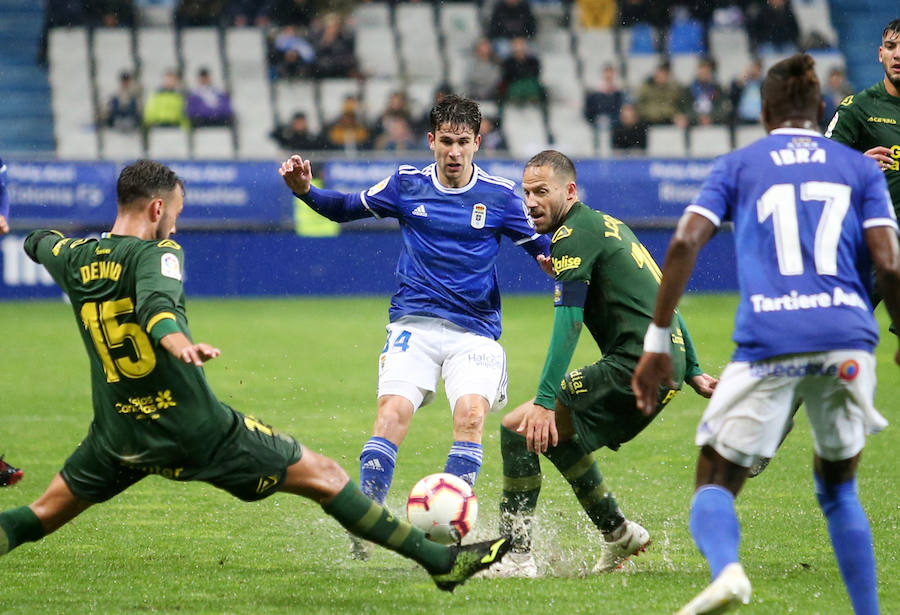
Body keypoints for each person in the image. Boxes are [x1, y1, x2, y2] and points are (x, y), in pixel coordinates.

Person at [0, 159, 510, 590]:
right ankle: (442, 563)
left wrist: (15, 226)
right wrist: (178, 341)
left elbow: (39, 241)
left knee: (38, 517)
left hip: (117, 435)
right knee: (328, 478)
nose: (175, 226)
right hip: (197, 430)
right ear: (158, 209)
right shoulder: (160, 253)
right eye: (174, 215)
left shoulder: (73, 256)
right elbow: (158, 307)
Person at [632, 54, 900, 615]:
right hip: (848, 337)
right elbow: (890, 265)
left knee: (714, 476)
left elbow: (683, 243)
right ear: (821, 109)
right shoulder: (861, 169)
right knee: (838, 487)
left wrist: (657, 342)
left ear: (764, 112)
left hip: (771, 337)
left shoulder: (740, 164)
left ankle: (728, 572)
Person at [278, 95, 551, 559]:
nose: (453, 152)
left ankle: (447, 522)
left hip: (475, 333)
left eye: (463, 142)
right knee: (391, 416)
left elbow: (543, 243)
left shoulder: (501, 196)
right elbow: (345, 207)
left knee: (469, 417)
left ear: (477, 143)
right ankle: (365, 523)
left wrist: (553, 260)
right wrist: (305, 191)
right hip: (414, 324)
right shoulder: (406, 185)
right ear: (431, 141)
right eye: (445, 141)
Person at [484, 150, 716, 578]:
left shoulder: (572, 235)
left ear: (569, 191)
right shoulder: (605, 224)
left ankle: (516, 558)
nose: (531, 201)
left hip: (634, 365)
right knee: (550, 435)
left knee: (521, 429)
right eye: (527, 192)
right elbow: (661, 292)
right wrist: (694, 366)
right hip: (664, 362)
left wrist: (545, 398)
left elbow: (569, 323)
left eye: (542, 192)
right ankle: (618, 533)